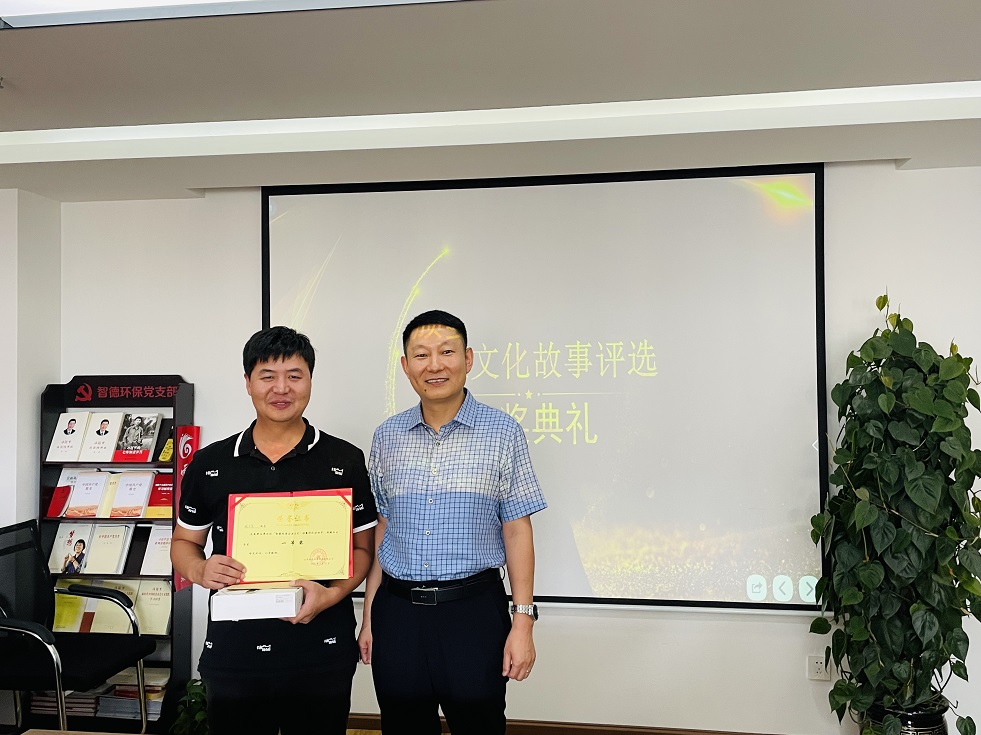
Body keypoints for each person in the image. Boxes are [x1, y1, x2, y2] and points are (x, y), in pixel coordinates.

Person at [171, 326, 377, 735]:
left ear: (310, 380)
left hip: (321, 646)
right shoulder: (211, 463)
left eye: (294, 375)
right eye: (268, 376)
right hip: (235, 650)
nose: (281, 388)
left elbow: (363, 549)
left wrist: (332, 594)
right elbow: (184, 542)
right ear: (248, 382)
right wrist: (199, 569)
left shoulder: (345, 459)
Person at [358, 310, 547, 735]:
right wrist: (369, 616)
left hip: (473, 613)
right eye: (421, 355)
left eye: (446, 352)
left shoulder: (503, 432)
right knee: (402, 726)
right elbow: (384, 527)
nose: (434, 365)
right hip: (398, 613)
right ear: (406, 366)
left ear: (468, 359)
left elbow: (517, 530)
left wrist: (523, 621)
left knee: (479, 724)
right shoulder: (387, 436)